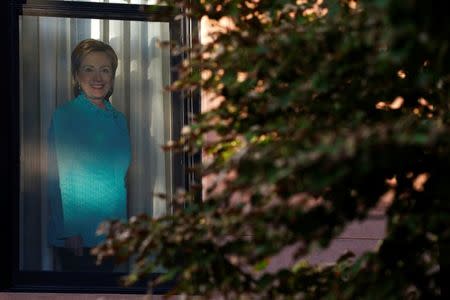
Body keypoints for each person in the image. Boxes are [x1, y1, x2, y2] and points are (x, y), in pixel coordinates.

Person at [47, 39, 131, 271]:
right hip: (78, 236)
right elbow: (61, 176)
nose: (98, 77)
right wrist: (71, 231)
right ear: (76, 76)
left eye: (105, 70)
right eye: (89, 69)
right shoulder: (66, 115)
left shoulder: (118, 119)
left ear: (113, 77)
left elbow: (118, 181)